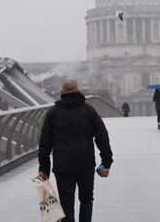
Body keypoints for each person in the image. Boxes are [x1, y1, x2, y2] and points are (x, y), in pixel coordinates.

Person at [38, 79, 113, 222]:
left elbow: (44, 144)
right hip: (85, 164)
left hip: (63, 165)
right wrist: (106, 162)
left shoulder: (53, 113)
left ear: (62, 91)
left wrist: (44, 169)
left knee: (66, 202)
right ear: (78, 90)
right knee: (86, 199)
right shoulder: (88, 111)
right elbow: (102, 136)